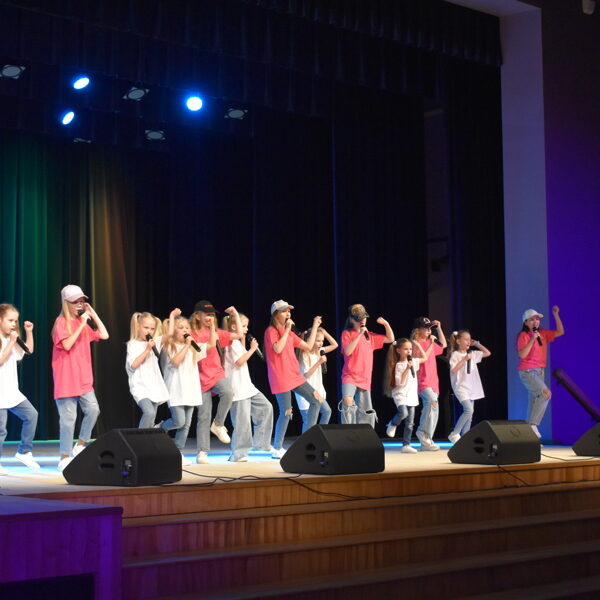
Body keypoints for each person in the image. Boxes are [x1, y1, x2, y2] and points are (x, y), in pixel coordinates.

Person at [51, 285, 109, 472]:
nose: (79, 305)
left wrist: (93, 314)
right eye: (75, 301)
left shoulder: (82, 322)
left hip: (83, 378)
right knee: (68, 419)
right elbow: (67, 345)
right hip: (67, 378)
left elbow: (104, 335)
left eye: (82, 301)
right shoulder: (61, 322)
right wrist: (82, 324)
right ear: (65, 303)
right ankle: (64, 456)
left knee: (93, 410)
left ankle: (81, 443)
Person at [264, 300, 323, 459]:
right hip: (280, 376)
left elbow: (309, 346)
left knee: (316, 399)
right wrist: (288, 329)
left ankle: (307, 440)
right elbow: (278, 348)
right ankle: (277, 448)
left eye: (289, 311)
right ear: (276, 314)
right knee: (286, 412)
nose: (288, 314)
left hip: (294, 375)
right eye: (284, 311)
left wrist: (315, 326)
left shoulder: (289, 333)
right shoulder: (271, 331)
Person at [190, 300, 243, 452]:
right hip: (199, 378)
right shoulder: (192, 333)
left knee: (228, 392)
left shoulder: (217, 332)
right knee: (204, 415)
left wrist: (235, 314)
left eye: (212, 315)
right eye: (207, 315)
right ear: (197, 316)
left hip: (216, 373)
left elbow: (239, 335)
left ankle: (218, 424)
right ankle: (202, 451)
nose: (210, 318)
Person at [223, 312, 274, 462]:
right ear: (234, 327)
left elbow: (241, 355)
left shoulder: (237, 342)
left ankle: (261, 444)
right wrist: (252, 349)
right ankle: (238, 453)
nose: (246, 329)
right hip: (237, 389)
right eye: (243, 326)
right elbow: (239, 362)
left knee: (266, 408)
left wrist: (244, 341)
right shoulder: (229, 342)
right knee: (242, 422)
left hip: (247, 387)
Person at [160, 314, 210, 465]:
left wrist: (212, 326)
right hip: (175, 389)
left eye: (187, 328)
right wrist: (187, 346)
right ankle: (160, 428)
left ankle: (178, 452)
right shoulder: (168, 346)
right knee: (179, 421)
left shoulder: (193, 348)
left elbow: (212, 345)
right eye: (181, 328)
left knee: (186, 424)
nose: (185, 331)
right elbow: (175, 361)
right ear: (173, 330)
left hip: (190, 389)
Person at [0, 304, 40, 473]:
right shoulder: (7, 340)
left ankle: (24, 451)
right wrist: (11, 342)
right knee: (1, 430)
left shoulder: (12, 339)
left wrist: (28, 332)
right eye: (10, 320)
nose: (13, 324)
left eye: (15, 321)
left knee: (31, 415)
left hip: (11, 391)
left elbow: (28, 350)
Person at [340, 304, 394, 428]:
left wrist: (386, 324)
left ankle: (364, 434)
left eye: (364, 318)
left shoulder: (370, 336)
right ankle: (348, 430)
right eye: (358, 319)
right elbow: (347, 351)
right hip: (350, 375)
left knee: (365, 409)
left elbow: (390, 339)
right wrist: (359, 335)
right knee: (347, 401)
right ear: (351, 319)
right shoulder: (347, 333)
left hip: (364, 377)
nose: (362, 321)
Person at [126, 308, 180, 428]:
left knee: (152, 417)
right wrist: (147, 350)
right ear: (138, 326)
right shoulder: (132, 344)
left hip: (153, 385)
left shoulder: (155, 342)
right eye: (146, 327)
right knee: (149, 412)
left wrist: (172, 315)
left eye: (152, 328)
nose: (149, 331)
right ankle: (140, 438)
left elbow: (170, 333)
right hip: (140, 386)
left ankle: (147, 437)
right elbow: (133, 365)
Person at [517, 306, 564, 438]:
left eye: (537, 319)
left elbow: (560, 331)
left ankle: (528, 433)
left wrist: (555, 314)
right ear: (526, 322)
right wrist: (532, 339)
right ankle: (533, 425)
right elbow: (522, 354)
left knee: (534, 400)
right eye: (532, 319)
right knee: (545, 394)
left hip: (540, 371)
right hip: (528, 371)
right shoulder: (523, 335)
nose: (536, 321)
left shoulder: (542, 333)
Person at [448, 330, 491, 443]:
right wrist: (464, 359)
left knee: (470, 415)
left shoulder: (472, 354)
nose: (468, 342)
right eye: (466, 339)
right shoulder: (455, 354)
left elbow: (487, 353)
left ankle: (465, 440)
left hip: (471, 388)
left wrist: (476, 344)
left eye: (469, 340)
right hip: (460, 387)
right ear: (458, 341)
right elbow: (453, 370)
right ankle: (454, 433)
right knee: (468, 410)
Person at [411, 316, 447, 451]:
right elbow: (423, 358)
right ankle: (422, 432)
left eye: (430, 328)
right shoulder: (415, 343)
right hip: (422, 381)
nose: (428, 331)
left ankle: (427, 439)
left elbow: (443, 345)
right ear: (418, 329)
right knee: (431, 402)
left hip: (433, 381)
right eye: (425, 328)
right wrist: (431, 343)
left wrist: (439, 329)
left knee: (434, 408)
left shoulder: (430, 341)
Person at [383, 338, 423, 453]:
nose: (409, 351)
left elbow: (425, 358)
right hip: (400, 394)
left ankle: (406, 445)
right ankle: (392, 423)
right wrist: (407, 368)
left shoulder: (413, 361)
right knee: (403, 413)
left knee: (410, 423)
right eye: (406, 349)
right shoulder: (399, 365)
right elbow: (400, 382)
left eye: (410, 349)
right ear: (398, 350)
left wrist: (418, 346)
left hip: (411, 395)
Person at [295, 327, 337, 428]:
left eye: (322, 341)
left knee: (327, 411)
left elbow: (335, 345)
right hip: (307, 392)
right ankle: (309, 438)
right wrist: (319, 362)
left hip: (318, 392)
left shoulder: (319, 351)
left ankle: (319, 435)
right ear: (310, 340)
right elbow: (306, 375)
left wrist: (325, 332)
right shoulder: (304, 354)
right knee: (309, 422)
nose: (321, 343)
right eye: (318, 340)